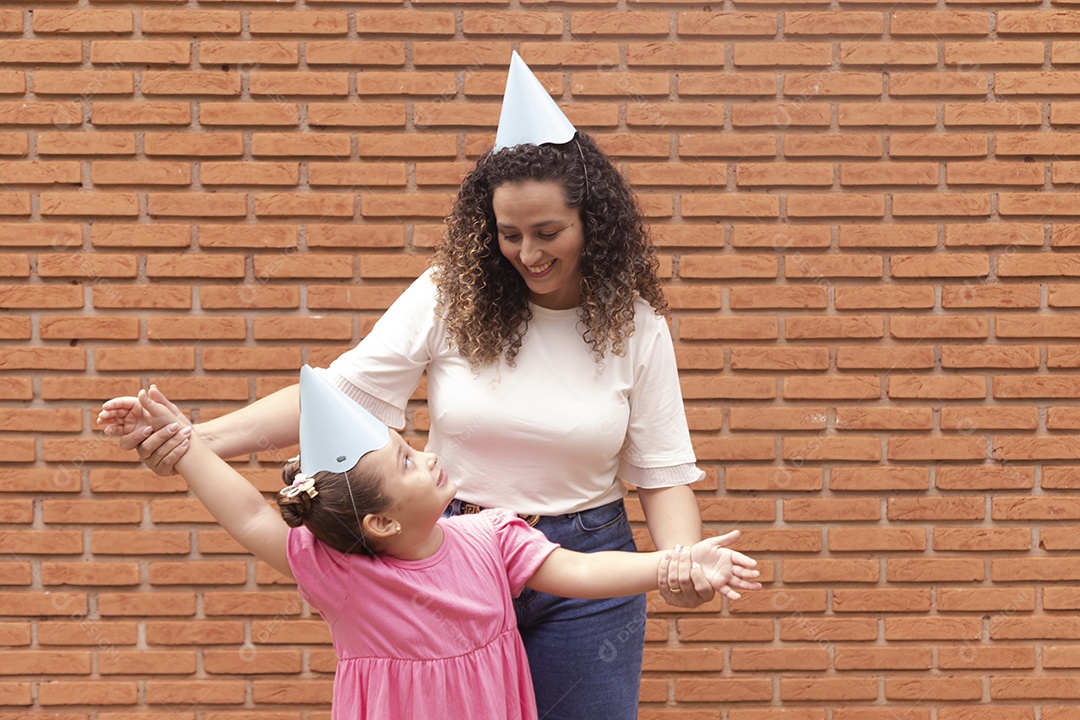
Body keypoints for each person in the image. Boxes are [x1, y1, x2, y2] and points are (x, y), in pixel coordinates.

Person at [99, 52, 716, 719]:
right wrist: (193, 439)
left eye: (548, 232)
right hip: (446, 551)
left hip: (582, 561)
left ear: (592, 223)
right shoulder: (452, 296)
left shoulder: (637, 327)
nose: (528, 253)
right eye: (509, 234)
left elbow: (661, 471)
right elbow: (337, 398)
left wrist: (682, 564)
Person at [102, 367, 761, 720]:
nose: (426, 455)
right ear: (381, 523)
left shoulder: (492, 537)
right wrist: (186, 445)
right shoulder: (343, 576)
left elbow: (582, 572)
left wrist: (672, 562)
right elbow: (248, 513)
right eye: (408, 461)